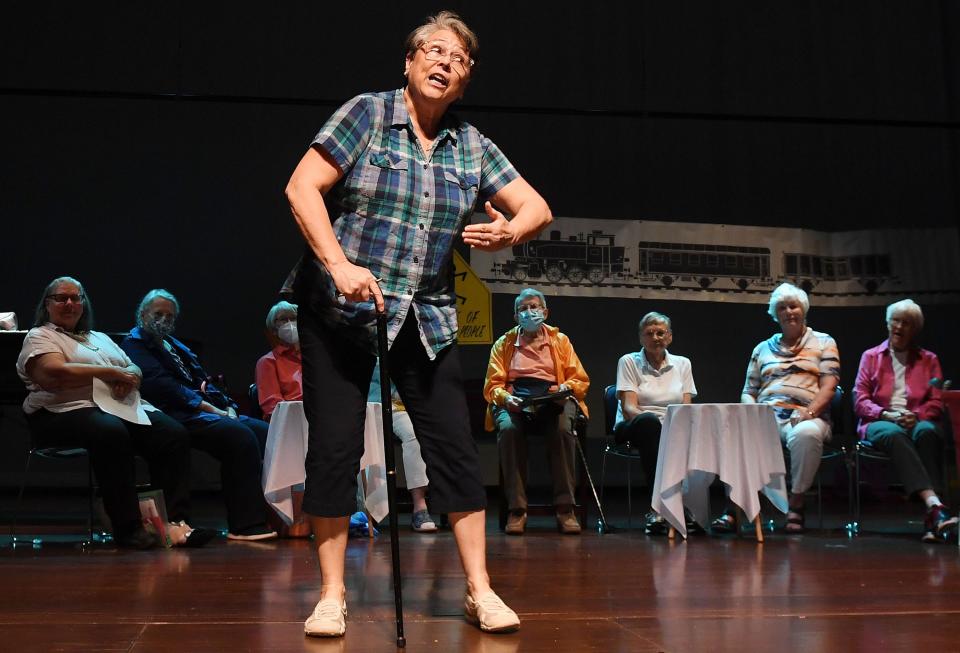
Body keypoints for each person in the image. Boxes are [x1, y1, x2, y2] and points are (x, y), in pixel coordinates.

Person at [284, 10, 551, 637]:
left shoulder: (472, 145)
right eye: (434, 51)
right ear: (409, 62)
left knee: (455, 450)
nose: (445, 64)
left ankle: (479, 590)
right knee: (335, 449)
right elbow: (302, 187)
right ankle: (331, 594)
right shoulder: (368, 115)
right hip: (341, 309)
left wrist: (511, 228)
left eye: (458, 60)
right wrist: (338, 263)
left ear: (465, 79)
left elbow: (537, 206)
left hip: (424, 315)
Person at [16, 277, 211, 549]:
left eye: (76, 297)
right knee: (110, 431)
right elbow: (53, 373)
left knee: (172, 434)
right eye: (61, 298)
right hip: (59, 412)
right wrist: (112, 373)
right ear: (47, 305)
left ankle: (174, 524)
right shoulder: (40, 335)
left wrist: (129, 376)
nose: (69, 303)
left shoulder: (100, 338)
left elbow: (134, 368)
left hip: (115, 409)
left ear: (84, 304)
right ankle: (128, 529)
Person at [121, 289, 277, 542]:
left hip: (201, 410)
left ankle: (281, 515)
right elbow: (165, 388)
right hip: (174, 413)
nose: (163, 319)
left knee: (265, 432)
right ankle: (245, 523)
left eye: (169, 315)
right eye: (157, 313)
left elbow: (202, 381)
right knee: (239, 437)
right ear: (142, 314)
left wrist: (228, 407)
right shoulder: (135, 344)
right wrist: (214, 410)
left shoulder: (175, 345)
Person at [720, 282, 840, 534]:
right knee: (736, 434)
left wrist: (809, 412)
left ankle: (796, 503)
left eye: (793, 306)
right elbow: (748, 391)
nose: (789, 312)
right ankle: (734, 509)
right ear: (776, 314)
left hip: (807, 415)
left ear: (803, 309)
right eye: (782, 308)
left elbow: (829, 386)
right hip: (767, 418)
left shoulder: (824, 342)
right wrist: (751, 413)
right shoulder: (762, 348)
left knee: (806, 434)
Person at [483, 288, 589, 536]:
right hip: (517, 398)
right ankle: (517, 510)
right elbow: (492, 385)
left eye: (533, 307)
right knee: (508, 429)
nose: (528, 312)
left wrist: (565, 388)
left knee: (563, 429)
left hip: (552, 398)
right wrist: (507, 398)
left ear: (545, 311)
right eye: (522, 309)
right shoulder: (504, 343)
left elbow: (580, 379)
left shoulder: (560, 341)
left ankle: (565, 508)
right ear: (515, 315)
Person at [854, 299, 957, 542]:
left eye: (907, 323)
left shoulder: (928, 359)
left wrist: (917, 416)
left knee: (928, 432)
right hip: (880, 421)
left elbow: (936, 400)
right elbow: (859, 400)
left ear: (915, 329)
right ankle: (935, 506)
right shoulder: (870, 357)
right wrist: (886, 414)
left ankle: (932, 519)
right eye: (896, 321)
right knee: (893, 433)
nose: (899, 327)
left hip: (916, 420)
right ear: (888, 323)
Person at [613, 312, 697, 535]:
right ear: (641, 338)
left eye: (661, 333)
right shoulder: (629, 361)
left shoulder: (683, 364)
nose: (656, 337)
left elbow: (685, 408)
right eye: (649, 333)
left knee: (696, 432)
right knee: (651, 425)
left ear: (669, 337)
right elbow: (629, 408)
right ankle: (658, 506)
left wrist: (671, 429)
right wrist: (662, 428)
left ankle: (689, 508)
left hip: (672, 428)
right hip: (634, 426)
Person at [369, 360, 437, 532]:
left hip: (400, 407)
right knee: (366, 441)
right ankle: (367, 511)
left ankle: (420, 507)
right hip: (370, 406)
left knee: (414, 434)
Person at [256, 300, 303, 420]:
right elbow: (273, 406)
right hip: (291, 421)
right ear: (273, 329)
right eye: (283, 319)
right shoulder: (268, 362)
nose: (290, 323)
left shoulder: (312, 358)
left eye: (294, 318)